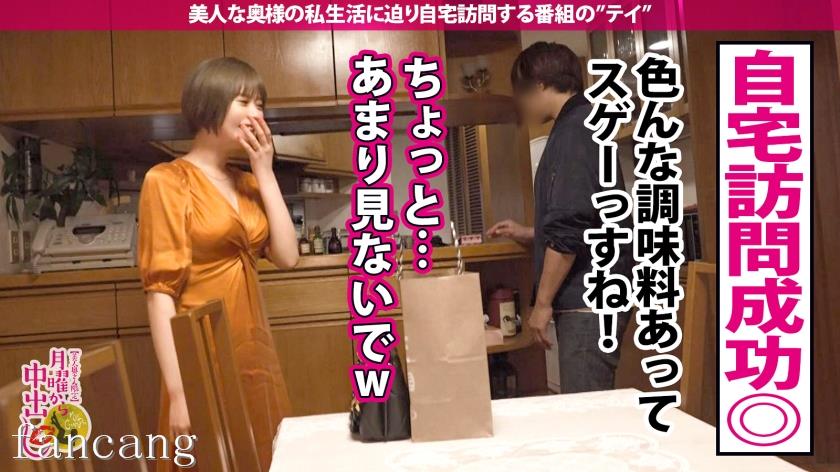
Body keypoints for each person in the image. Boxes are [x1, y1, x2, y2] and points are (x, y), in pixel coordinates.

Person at [138, 57, 299, 469]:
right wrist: (178, 392)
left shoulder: (248, 183)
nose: (256, 114)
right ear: (208, 104)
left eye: (260, 104)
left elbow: (287, 256)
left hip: (254, 353)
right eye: (244, 102)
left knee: (263, 457)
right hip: (201, 355)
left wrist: (264, 171)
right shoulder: (167, 181)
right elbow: (159, 294)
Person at [487, 42, 633, 393]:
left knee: (586, 408)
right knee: (587, 404)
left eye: (520, 92)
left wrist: (542, 305)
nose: (521, 103)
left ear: (538, 85)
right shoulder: (580, 124)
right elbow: (585, 218)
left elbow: (570, 230)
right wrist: (530, 232)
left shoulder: (575, 130)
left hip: (588, 300)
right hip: (595, 296)